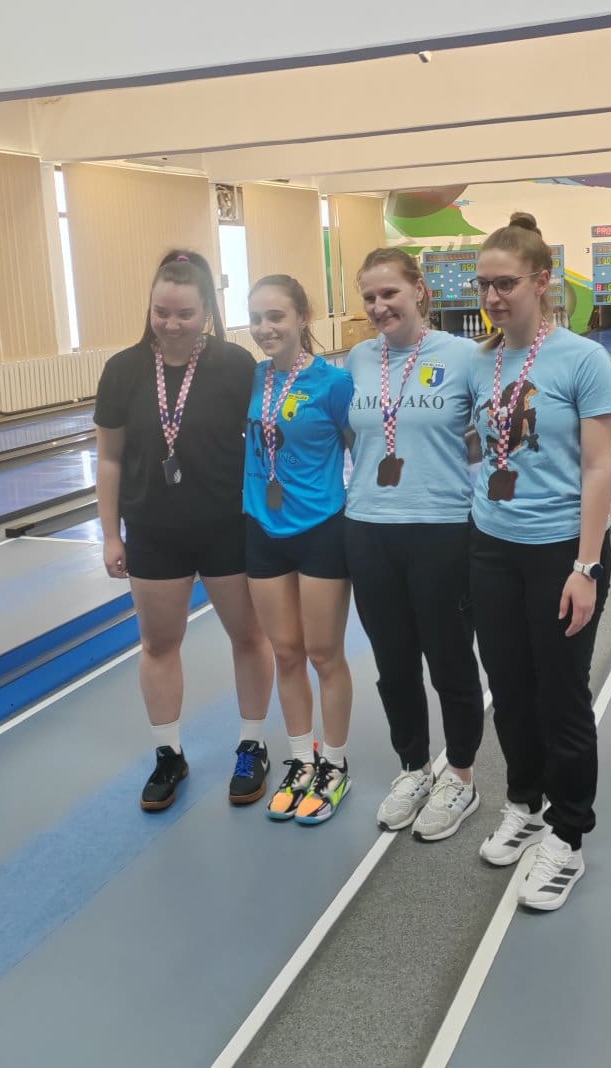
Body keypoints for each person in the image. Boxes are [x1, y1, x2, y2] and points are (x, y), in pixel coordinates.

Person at [468, 214, 611, 911]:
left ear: (540, 281)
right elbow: (477, 446)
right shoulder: (480, 361)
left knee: (561, 695)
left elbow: (597, 469)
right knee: (508, 687)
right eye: (483, 284)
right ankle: (525, 803)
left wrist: (585, 568)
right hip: (491, 546)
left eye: (505, 283)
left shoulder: (583, 360)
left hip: (562, 551)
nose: (492, 297)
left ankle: (568, 834)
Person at [95, 250, 275, 812]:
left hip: (227, 527)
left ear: (207, 311)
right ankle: (168, 754)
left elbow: (266, 442)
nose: (171, 324)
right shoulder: (123, 369)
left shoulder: (234, 365)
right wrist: (111, 534)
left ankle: (252, 745)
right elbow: (109, 459)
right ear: (149, 307)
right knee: (158, 644)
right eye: (161, 312)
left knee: (248, 636)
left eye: (184, 314)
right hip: (153, 530)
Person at [345, 248, 485, 841]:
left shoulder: (464, 356)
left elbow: (491, 435)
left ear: (419, 290)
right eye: (370, 297)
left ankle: (461, 776)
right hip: (367, 527)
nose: (380, 307)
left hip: (442, 528)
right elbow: (353, 437)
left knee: (449, 662)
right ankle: (413, 768)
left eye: (390, 294)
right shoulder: (357, 359)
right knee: (393, 663)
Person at [244, 276, 354, 824]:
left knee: (323, 654)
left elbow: (361, 448)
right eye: (256, 318)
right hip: (262, 530)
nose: (265, 328)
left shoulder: (334, 383)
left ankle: (333, 763)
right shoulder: (252, 378)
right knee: (285, 652)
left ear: (302, 317)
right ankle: (300, 760)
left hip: (322, 530)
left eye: (276, 316)